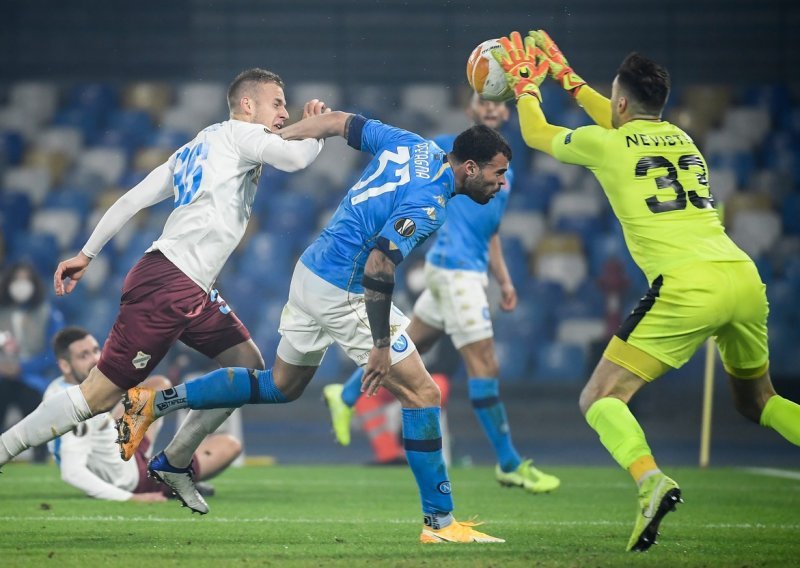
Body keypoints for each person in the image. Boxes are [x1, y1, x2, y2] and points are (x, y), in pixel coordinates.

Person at [117, 112, 511, 543]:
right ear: (470, 168)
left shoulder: (411, 144)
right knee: (423, 394)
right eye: (498, 173)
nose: (502, 183)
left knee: (281, 386)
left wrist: (277, 140)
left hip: (310, 270)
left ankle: (152, 403)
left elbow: (339, 121)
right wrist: (380, 345)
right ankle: (440, 523)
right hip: (344, 289)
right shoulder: (430, 200)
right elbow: (379, 267)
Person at [492, 30, 800, 551]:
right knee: (759, 400)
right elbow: (616, 118)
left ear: (619, 102)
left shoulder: (605, 143)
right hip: (742, 276)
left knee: (599, 396)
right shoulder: (684, 140)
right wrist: (567, 77)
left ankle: (650, 481)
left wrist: (525, 87)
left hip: (686, 286)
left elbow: (538, 134)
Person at [0, 68, 328, 516]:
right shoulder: (240, 133)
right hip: (168, 283)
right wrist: (319, 129)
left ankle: (174, 462)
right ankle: (5, 448)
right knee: (97, 397)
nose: (285, 112)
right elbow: (297, 160)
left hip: (189, 285)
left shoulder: (198, 145)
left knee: (247, 367)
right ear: (247, 104)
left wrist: (88, 252)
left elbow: (134, 197)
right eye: (277, 102)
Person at [322, 93, 560, 493]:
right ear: (470, 111)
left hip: (464, 271)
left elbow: (491, 231)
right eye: (482, 102)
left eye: (499, 104)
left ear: (506, 111)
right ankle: (509, 463)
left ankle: (345, 394)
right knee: (484, 364)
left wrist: (503, 279)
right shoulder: (447, 154)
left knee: (410, 342)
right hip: (454, 272)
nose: (491, 108)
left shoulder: (504, 170)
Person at [45, 326, 241, 503]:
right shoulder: (72, 407)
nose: (95, 359)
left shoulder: (58, 388)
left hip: (121, 446)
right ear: (65, 366)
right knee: (229, 445)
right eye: (84, 355)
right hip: (131, 477)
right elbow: (72, 472)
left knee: (159, 386)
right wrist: (130, 497)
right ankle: (171, 479)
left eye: (96, 350)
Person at [0, 262, 65, 463]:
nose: (21, 285)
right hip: (2, 377)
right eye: (17, 280)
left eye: (25, 280)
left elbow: (53, 352)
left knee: (34, 410)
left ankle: (40, 456)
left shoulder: (48, 313)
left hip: (33, 379)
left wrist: (22, 368)